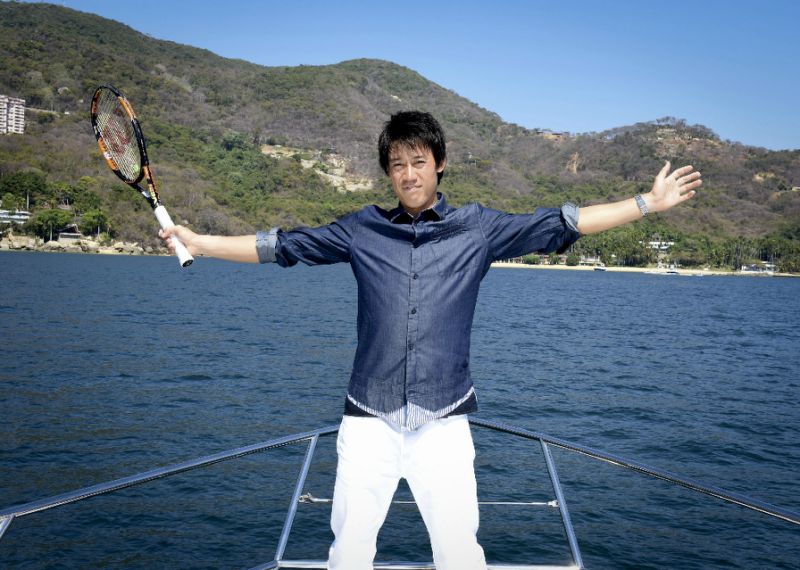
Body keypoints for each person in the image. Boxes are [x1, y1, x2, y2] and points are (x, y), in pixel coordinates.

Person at [160, 111, 701, 569]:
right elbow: (282, 246)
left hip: (443, 419)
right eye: (397, 164)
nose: (408, 173)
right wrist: (200, 243)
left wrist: (647, 204)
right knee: (348, 554)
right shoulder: (363, 229)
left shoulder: (477, 228)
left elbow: (563, 222)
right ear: (387, 172)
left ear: (439, 163)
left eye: (418, 161)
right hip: (368, 419)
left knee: (459, 554)